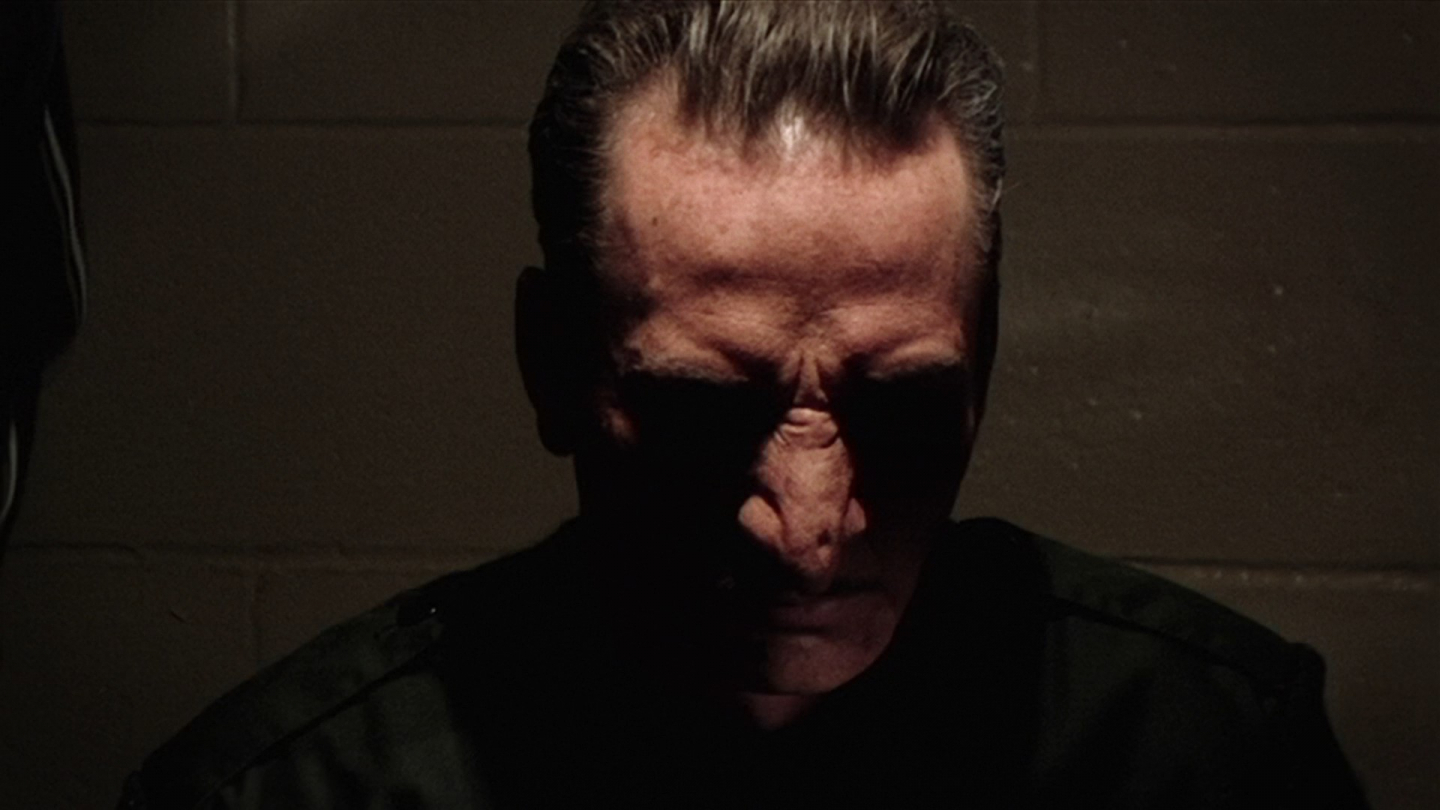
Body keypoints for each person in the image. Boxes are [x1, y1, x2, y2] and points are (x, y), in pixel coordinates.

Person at [117, 2, 1368, 808]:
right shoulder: (288, 792)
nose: (809, 529)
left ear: (984, 360)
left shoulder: (1210, 751)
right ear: (552, 363)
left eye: (902, 406)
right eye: (705, 414)